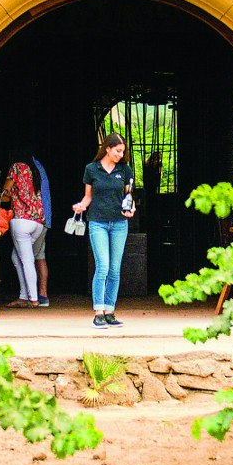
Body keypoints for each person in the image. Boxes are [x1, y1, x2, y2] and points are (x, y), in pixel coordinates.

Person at [72, 132, 133, 329]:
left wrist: (131, 209)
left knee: (115, 268)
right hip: (97, 222)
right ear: (107, 148)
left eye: (122, 151)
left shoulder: (125, 169)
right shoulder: (92, 169)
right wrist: (81, 206)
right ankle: (98, 312)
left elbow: (129, 196)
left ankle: (110, 310)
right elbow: (88, 196)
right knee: (103, 266)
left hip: (119, 223)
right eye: (117, 150)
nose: (120, 155)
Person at [2, 150, 45, 308]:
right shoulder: (35, 170)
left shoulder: (16, 167)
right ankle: (23, 296)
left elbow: (5, 193)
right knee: (16, 257)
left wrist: (3, 191)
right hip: (38, 222)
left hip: (21, 220)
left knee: (27, 260)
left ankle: (33, 299)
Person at [30, 154, 53, 306]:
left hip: (34, 218)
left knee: (27, 257)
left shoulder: (26, 168)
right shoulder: (39, 166)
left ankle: (33, 295)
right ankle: (41, 294)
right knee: (40, 256)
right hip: (45, 218)